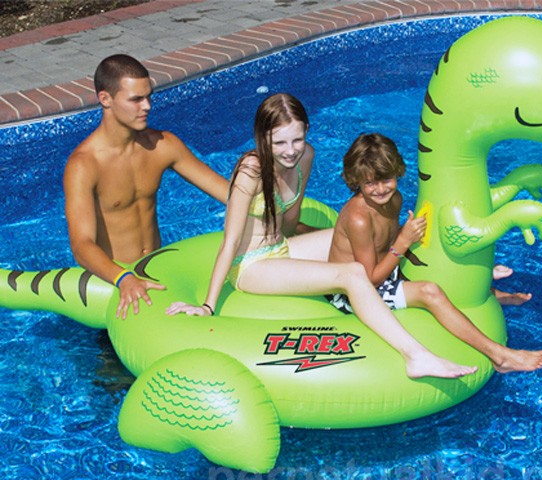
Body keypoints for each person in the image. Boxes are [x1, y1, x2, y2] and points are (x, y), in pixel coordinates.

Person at [166, 93, 477, 379]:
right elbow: (231, 241)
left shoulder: (305, 157)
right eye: (279, 143)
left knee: (357, 234)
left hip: (281, 247)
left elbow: (290, 221)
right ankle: (415, 355)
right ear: (263, 138)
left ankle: (461, 273)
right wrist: (207, 306)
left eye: (297, 139)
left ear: (307, 131)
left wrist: (320, 237)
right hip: (251, 266)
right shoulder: (250, 171)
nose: (290, 151)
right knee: (353, 272)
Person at [326, 133, 542, 373]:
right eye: (370, 183)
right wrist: (403, 241)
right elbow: (369, 280)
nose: (381, 189)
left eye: (387, 180)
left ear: (397, 172)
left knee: (438, 268)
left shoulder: (395, 199)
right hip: (352, 293)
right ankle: (500, 357)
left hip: (382, 268)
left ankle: (492, 293)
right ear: (356, 180)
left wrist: (405, 237)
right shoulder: (359, 218)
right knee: (430, 291)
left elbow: (384, 241)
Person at [64, 54, 228, 319]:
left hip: (158, 273)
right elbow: (81, 245)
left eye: (149, 97)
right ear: (105, 99)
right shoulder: (84, 164)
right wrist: (123, 278)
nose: (147, 106)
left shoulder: (162, 145)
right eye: (136, 99)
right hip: (115, 284)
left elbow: (230, 194)